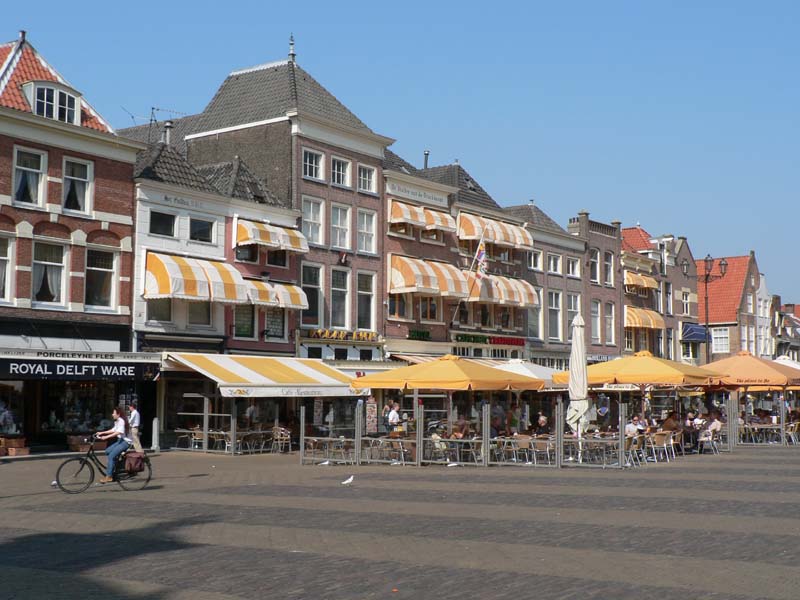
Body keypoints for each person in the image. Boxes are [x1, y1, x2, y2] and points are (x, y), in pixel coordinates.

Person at [96, 406, 132, 483]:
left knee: (111, 456)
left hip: (125, 442)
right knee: (107, 451)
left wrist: (106, 437)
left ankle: (109, 476)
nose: (112, 414)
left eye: (114, 413)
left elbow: (118, 432)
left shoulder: (121, 421)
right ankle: (114, 468)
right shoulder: (118, 421)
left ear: (118, 414)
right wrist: (102, 432)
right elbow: (113, 430)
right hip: (120, 440)